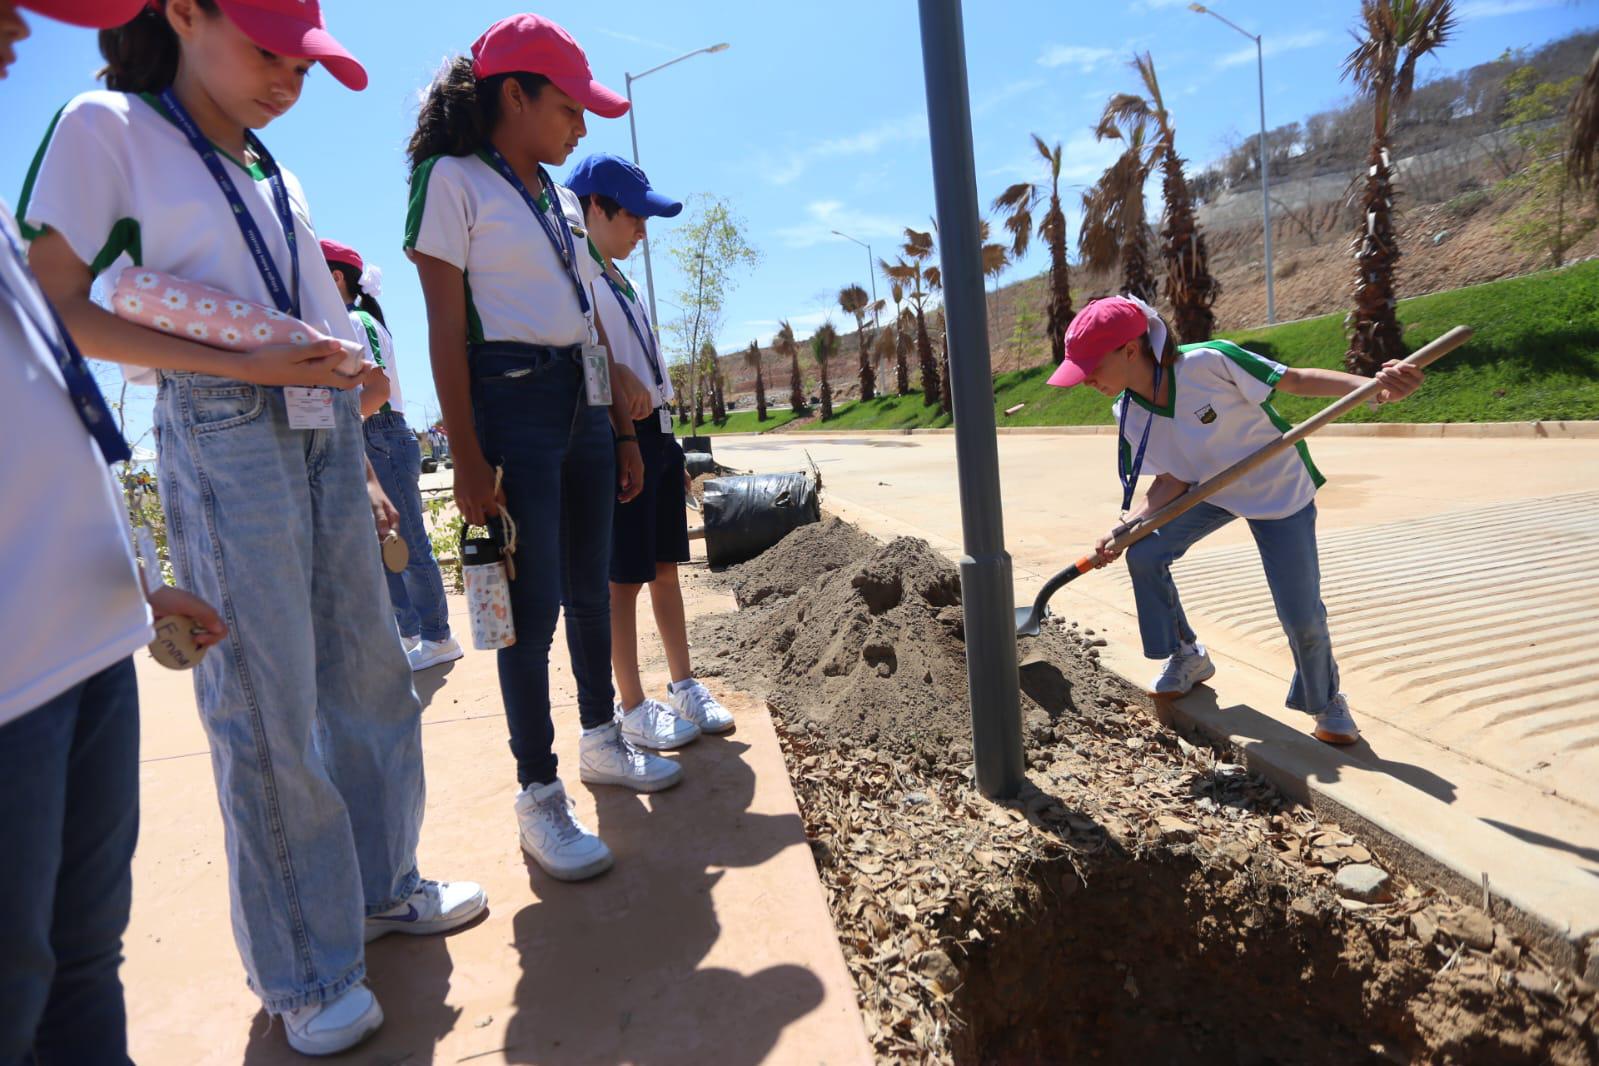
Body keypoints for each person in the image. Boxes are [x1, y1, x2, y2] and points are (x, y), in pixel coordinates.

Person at [21, 1, 484, 1055]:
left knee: (371, 673)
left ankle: (381, 886)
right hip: (223, 425)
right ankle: (305, 967)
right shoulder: (108, 126)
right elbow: (56, 307)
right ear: (184, 11)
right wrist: (248, 367)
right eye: (269, 48)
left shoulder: (277, 169)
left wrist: (353, 423)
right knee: (267, 701)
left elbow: (312, 322)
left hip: (320, 428)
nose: (289, 76)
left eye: (304, 61)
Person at [406, 13, 684, 884]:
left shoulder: (558, 199)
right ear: (513, 96)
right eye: (566, 108)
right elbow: (445, 327)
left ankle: (602, 738)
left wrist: (620, 427)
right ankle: (538, 794)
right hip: (509, 402)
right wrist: (465, 455)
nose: (579, 126)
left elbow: (585, 321)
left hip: (580, 402)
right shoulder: (449, 179)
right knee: (529, 621)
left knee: (593, 592)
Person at [0, 4, 229, 1061]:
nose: (17, 25)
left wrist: (133, 587)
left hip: (83, 647)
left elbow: (48, 417)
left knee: (84, 962)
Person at [1048, 295, 1423, 746]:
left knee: (1300, 612)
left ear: (1130, 350)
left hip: (1276, 490)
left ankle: (1326, 700)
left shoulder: (1209, 363)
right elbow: (1172, 480)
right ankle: (1187, 653)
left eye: (1092, 366)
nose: (1086, 380)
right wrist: (1128, 528)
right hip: (1212, 490)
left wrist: (1374, 387)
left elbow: (1297, 380)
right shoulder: (1128, 412)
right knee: (1146, 552)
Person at [568, 153, 734, 738]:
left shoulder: (619, 274)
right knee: (624, 578)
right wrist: (619, 394)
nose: (643, 229)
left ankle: (683, 683)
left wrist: (669, 446)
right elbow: (585, 349)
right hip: (621, 435)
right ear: (594, 207)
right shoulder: (577, 271)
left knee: (665, 566)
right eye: (634, 216)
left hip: (654, 434)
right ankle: (633, 705)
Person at [323, 238, 462, 673]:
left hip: (379, 432)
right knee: (386, 543)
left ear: (336, 278)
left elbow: (378, 391)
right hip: (372, 436)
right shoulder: (352, 321)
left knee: (405, 540)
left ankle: (438, 635)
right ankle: (412, 633)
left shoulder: (355, 321)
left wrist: (336, 424)